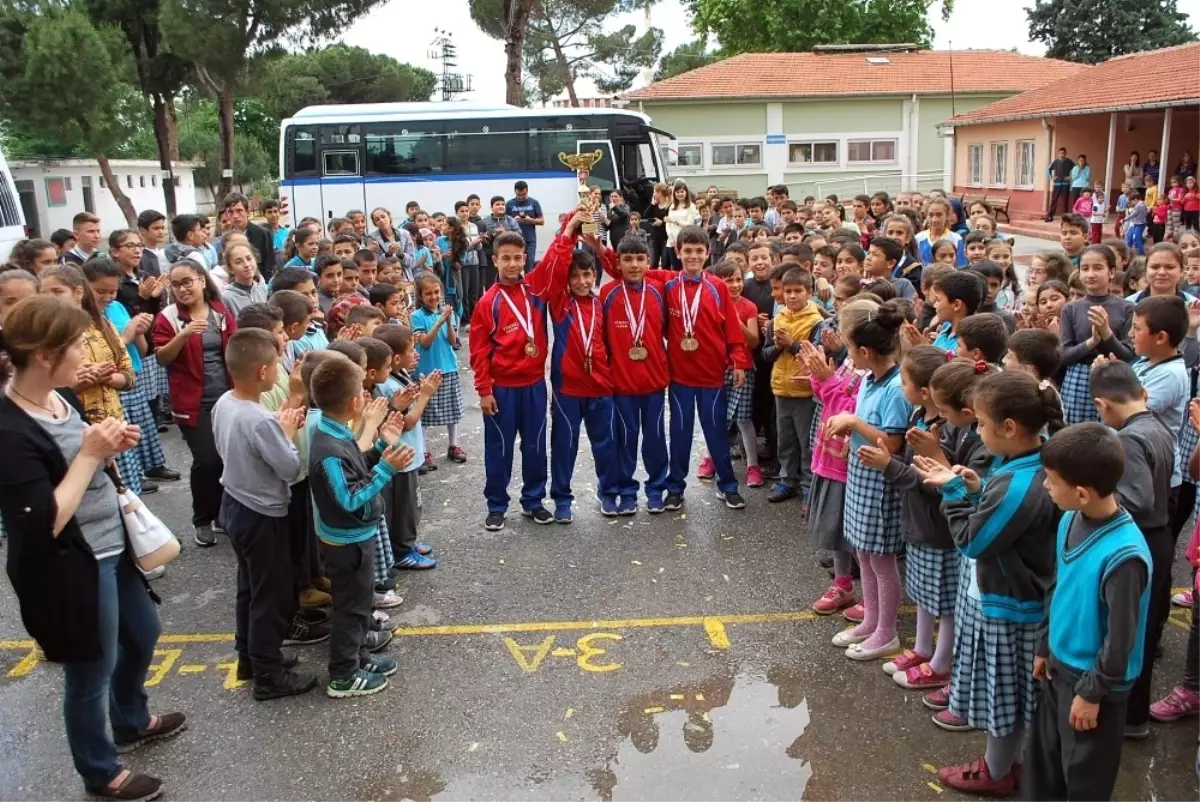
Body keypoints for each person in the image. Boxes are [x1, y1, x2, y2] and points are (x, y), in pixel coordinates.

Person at [0, 295, 185, 802]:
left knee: (144, 632)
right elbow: (43, 521)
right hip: (70, 564)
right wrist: (89, 453)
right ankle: (100, 772)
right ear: (43, 355)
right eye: (75, 348)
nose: (85, 357)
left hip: (112, 543)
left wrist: (109, 442)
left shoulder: (60, 398)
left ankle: (130, 718)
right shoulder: (9, 428)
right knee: (90, 669)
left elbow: (82, 457)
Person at [913, 371, 1062, 796]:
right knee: (1010, 695)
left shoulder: (1018, 484)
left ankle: (997, 771)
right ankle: (1007, 762)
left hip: (1009, 605)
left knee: (1005, 697)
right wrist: (976, 490)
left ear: (1009, 427)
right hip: (1011, 597)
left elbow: (973, 541)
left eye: (980, 423)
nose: (976, 431)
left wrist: (954, 492)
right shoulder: (1026, 462)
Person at [1027, 422, 1151, 800]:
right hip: (1058, 670)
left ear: (1081, 492)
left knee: (1083, 779)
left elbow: (1121, 638)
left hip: (1093, 685)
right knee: (1044, 767)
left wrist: (1093, 693)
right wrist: (1045, 644)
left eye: (1051, 480)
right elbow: (1058, 588)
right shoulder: (1069, 519)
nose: (1046, 486)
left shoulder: (1124, 556)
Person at [211, 329, 315, 700]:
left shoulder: (225, 403)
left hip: (234, 503)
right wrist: (285, 431)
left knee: (249, 589)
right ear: (262, 372)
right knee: (272, 596)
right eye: (276, 366)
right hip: (262, 513)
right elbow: (288, 467)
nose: (280, 372)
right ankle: (269, 676)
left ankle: (251, 657)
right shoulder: (261, 421)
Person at [307, 355, 412, 697]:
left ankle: (359, 656)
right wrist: (386, 470)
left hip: (356, 538)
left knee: (360, 604)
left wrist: (381, 445)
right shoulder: (330, 450)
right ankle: (343, 675)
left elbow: (358, 466)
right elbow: (349, 498)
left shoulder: (335, 432)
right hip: (346, 545)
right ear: (355, 402)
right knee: (350, 610)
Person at [864, 346, 959, 691]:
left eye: (903, 381)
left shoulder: (944, 431)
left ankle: (942, 661)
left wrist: (888, 466)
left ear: (924, 390)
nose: (899, 387)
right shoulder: (918, 416)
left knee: (943, 599)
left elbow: (937, 482)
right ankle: (921, 648)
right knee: (922, 591)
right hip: (917, 521)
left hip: (938, 527)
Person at [825, 299, 914, 662]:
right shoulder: (869, 381)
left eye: (850, 350)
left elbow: (892, 442)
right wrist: (850, 441)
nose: (850, 357)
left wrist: (855, 425)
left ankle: (886, 631)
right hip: (861, 476)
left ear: (864, 351)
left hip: (881, 484)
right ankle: (871, 621)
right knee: (864, 552)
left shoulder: (895, 388)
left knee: (881, 559)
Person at [641, 226, 750, 510]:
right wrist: (596, 243)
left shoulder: (718, 287)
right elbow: (628, 267)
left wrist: (738, 360)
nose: (692, 256)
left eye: (698, 251)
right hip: (680, 378)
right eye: (687, 251)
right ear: (677, 253)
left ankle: (727, 485)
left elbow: (732, 331)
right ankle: (675, 487)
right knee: (680, 434)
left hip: (712, 376)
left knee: (716, 434)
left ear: (707, 253)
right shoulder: (666, 282)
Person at [470, 228, 557, 530]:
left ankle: (533, 501)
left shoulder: (535, 290)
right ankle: (496, 504)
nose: (512, 264)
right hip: (502, 389)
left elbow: (556, 258)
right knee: (499, 448)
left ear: (525, 259)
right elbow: (479, 352)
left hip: (533, 385)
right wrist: (484, 390)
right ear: (494, 260)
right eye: (505, 258)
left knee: (534, 446)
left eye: (518, 258)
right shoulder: (488, 302)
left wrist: (572, 225)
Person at [40, 265, 148, 497]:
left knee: (126, 502)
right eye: (44, 293)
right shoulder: (43, 336)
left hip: (113, 425)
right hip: (72, 433)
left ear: (78, 292)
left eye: (57, 292)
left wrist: (108, 376)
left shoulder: (101, 326)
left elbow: (129, 376)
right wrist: (78, 382)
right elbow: (38, 392)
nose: (49, 299)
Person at [152, 259, 237, 546]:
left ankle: (221, 515)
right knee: (207, 460)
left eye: (187, 281)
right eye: (175, 285)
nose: (182, 289)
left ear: (202, 280)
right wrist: (184, 334)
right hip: (192, 402)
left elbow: (235, 347)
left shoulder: (220, 311)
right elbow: (162, 357)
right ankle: (202, 518)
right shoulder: (169, 317)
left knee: (227, 459)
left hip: (225, 397)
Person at [544, 214, 619, 520]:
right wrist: (568, 230)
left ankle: (609, 493)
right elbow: (555, 266)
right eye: (574, 276)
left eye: (587, 275)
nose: (581, 281)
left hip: (601, 387)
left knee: (605, 445)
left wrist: (598, 246)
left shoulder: (603, 304)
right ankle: (562, 499)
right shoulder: (560, 303)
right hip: (568, 388)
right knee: (565, 445)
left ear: (595, 276)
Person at [597, 231, 670, 515]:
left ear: (649, 261)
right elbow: (600, 338)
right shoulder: (608, 293)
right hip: (622, 383)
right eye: (627, 259)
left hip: (653, 382)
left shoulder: (658, 290)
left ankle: (655, 489)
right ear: (619, 262)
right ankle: (625, 491)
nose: (635, 265)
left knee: (654, 439)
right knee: (624, 440)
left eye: (640, 259)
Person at [372, 323, 438, 568]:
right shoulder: (387, 385)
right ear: (396, 358)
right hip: (400, 457)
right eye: (411, 350)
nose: (415, 354)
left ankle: (406, 542)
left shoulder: (396, 375)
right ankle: (402, 550)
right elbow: (407, 422)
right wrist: (425, 395)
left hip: (407, 455)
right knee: (405, 508)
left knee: (409, 505)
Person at [762, 267, 822, 503]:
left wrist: (792, 344)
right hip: (781, 388)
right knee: (785, 439)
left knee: (806, 441)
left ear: (809, 292)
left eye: (798, 291)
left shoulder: (816, 321)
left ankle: (809, 485)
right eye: (788, 291)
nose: (792, 296)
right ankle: (787, 480)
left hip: (804, 391)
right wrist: (778, 347)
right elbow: (766, 355)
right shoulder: (778, 319)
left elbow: (816, 356)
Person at [1058, 245, 1134, 425]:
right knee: (1077, 433)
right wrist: (1091, 342)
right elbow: (1064, 356)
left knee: (1111, 433)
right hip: (1079, 378)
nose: (1090, 274)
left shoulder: (1126, 308)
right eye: (1085, 268)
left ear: (1112, 272)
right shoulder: (1071, 308)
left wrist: (1106, 332)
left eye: (1098, 268)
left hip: (1114, 376)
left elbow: (1128, 354)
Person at [411, 273, 465, 468]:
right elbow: (424, 342)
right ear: (420, 296)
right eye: (428, 293)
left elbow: (452, 341)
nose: (433, 297)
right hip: (426, 372)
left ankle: (454, 445)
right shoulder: (416, 316)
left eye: (436, 292)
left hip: (448, 367)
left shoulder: (445, 312)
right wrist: (440, 321)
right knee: (424, 414)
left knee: (453, 410)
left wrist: (449, 322)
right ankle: (423, 451)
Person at [218, 192, 277, 280]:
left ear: (247, 211)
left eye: (239, 210)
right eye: (230, 212)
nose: (235, 216)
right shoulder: (226, 238)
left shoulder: (263, 234)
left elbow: (270, 266)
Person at [220, 241, 270, 319]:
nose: (247, 264)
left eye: (249, 259)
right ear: (230, 269)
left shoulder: (264, 289)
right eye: (239, 262)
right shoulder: (226, 297)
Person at [506, 180, 544, 273]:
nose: (522, 197)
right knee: (515, 265)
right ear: (515, 191)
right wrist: (514, 221)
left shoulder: (534, 203)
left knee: (529, 266)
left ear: (527, 191)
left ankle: (528, 286)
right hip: (514, 240)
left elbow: (542, 221)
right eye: (519, 195)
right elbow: (505, 222)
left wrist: (530, 220)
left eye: (524, 194)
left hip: (530, 240)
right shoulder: (509, 204)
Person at [664, 183, 700, 270]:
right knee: (675, 266)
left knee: (685, 265)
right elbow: (668, 223)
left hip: (686, 239)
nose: (680, 194)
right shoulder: (672, 206)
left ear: (686, 193)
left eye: (682, 192)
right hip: (673, 240)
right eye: (677, 192)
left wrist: (675, 221)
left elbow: (689, 224)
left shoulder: (691, 206)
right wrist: (670, 236)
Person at [644, 182, 670, 270]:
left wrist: (662, 222)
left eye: (654, 192)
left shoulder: (669, 206)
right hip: (654, 237)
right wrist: (652, 204)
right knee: (653, 263)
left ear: (660, 193)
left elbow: (672, 220)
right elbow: (645, 215)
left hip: (665, 237)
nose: (653, 194)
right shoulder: (655, 205)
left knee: (665, 263)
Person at [1046, 147, 1074, 221]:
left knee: (1065, 201)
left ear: (1065, 154)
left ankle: (1065, 217)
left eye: (1063, 153)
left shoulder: (1069, 162)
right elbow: (1048, 170)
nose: (1062, 155)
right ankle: (1050, 216)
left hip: (1065, 184)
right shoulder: (1055, 162)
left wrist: (1070, 177)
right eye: (1060, 153)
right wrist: (1052, 178)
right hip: (1057, 184)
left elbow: (1076, 170)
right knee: (1054, 200)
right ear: (1058, 154)